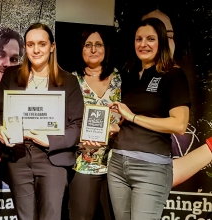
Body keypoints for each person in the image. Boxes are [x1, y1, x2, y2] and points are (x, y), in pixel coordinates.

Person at [0, 23, 83, 220]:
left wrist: (49, 140)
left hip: (53, 158)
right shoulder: (11, 76)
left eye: (42, 44)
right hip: (18, 156)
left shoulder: (69, 81)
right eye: (31, 44)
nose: (36, 50)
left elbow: (76, 126)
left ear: (52, 47)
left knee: (50, 216)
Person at [107, 17, 190, 220]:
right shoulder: (131, 75)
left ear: (161, 42)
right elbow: (126, 119)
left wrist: (133, 117)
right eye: (139, 39)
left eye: (150, 39)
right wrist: (114, 127)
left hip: (151, 168)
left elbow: (179, 125)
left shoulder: (174, 75)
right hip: (118, 165)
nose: (143, 44)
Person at [68, 29, 120, 220]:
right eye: (87, 45)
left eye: (98, 44)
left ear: (106, 49)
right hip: (83, 162)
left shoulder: (120, 79)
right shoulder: (71, 80)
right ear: (81, 49)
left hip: (116, 164)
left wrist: (118, 129)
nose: (93, 49)